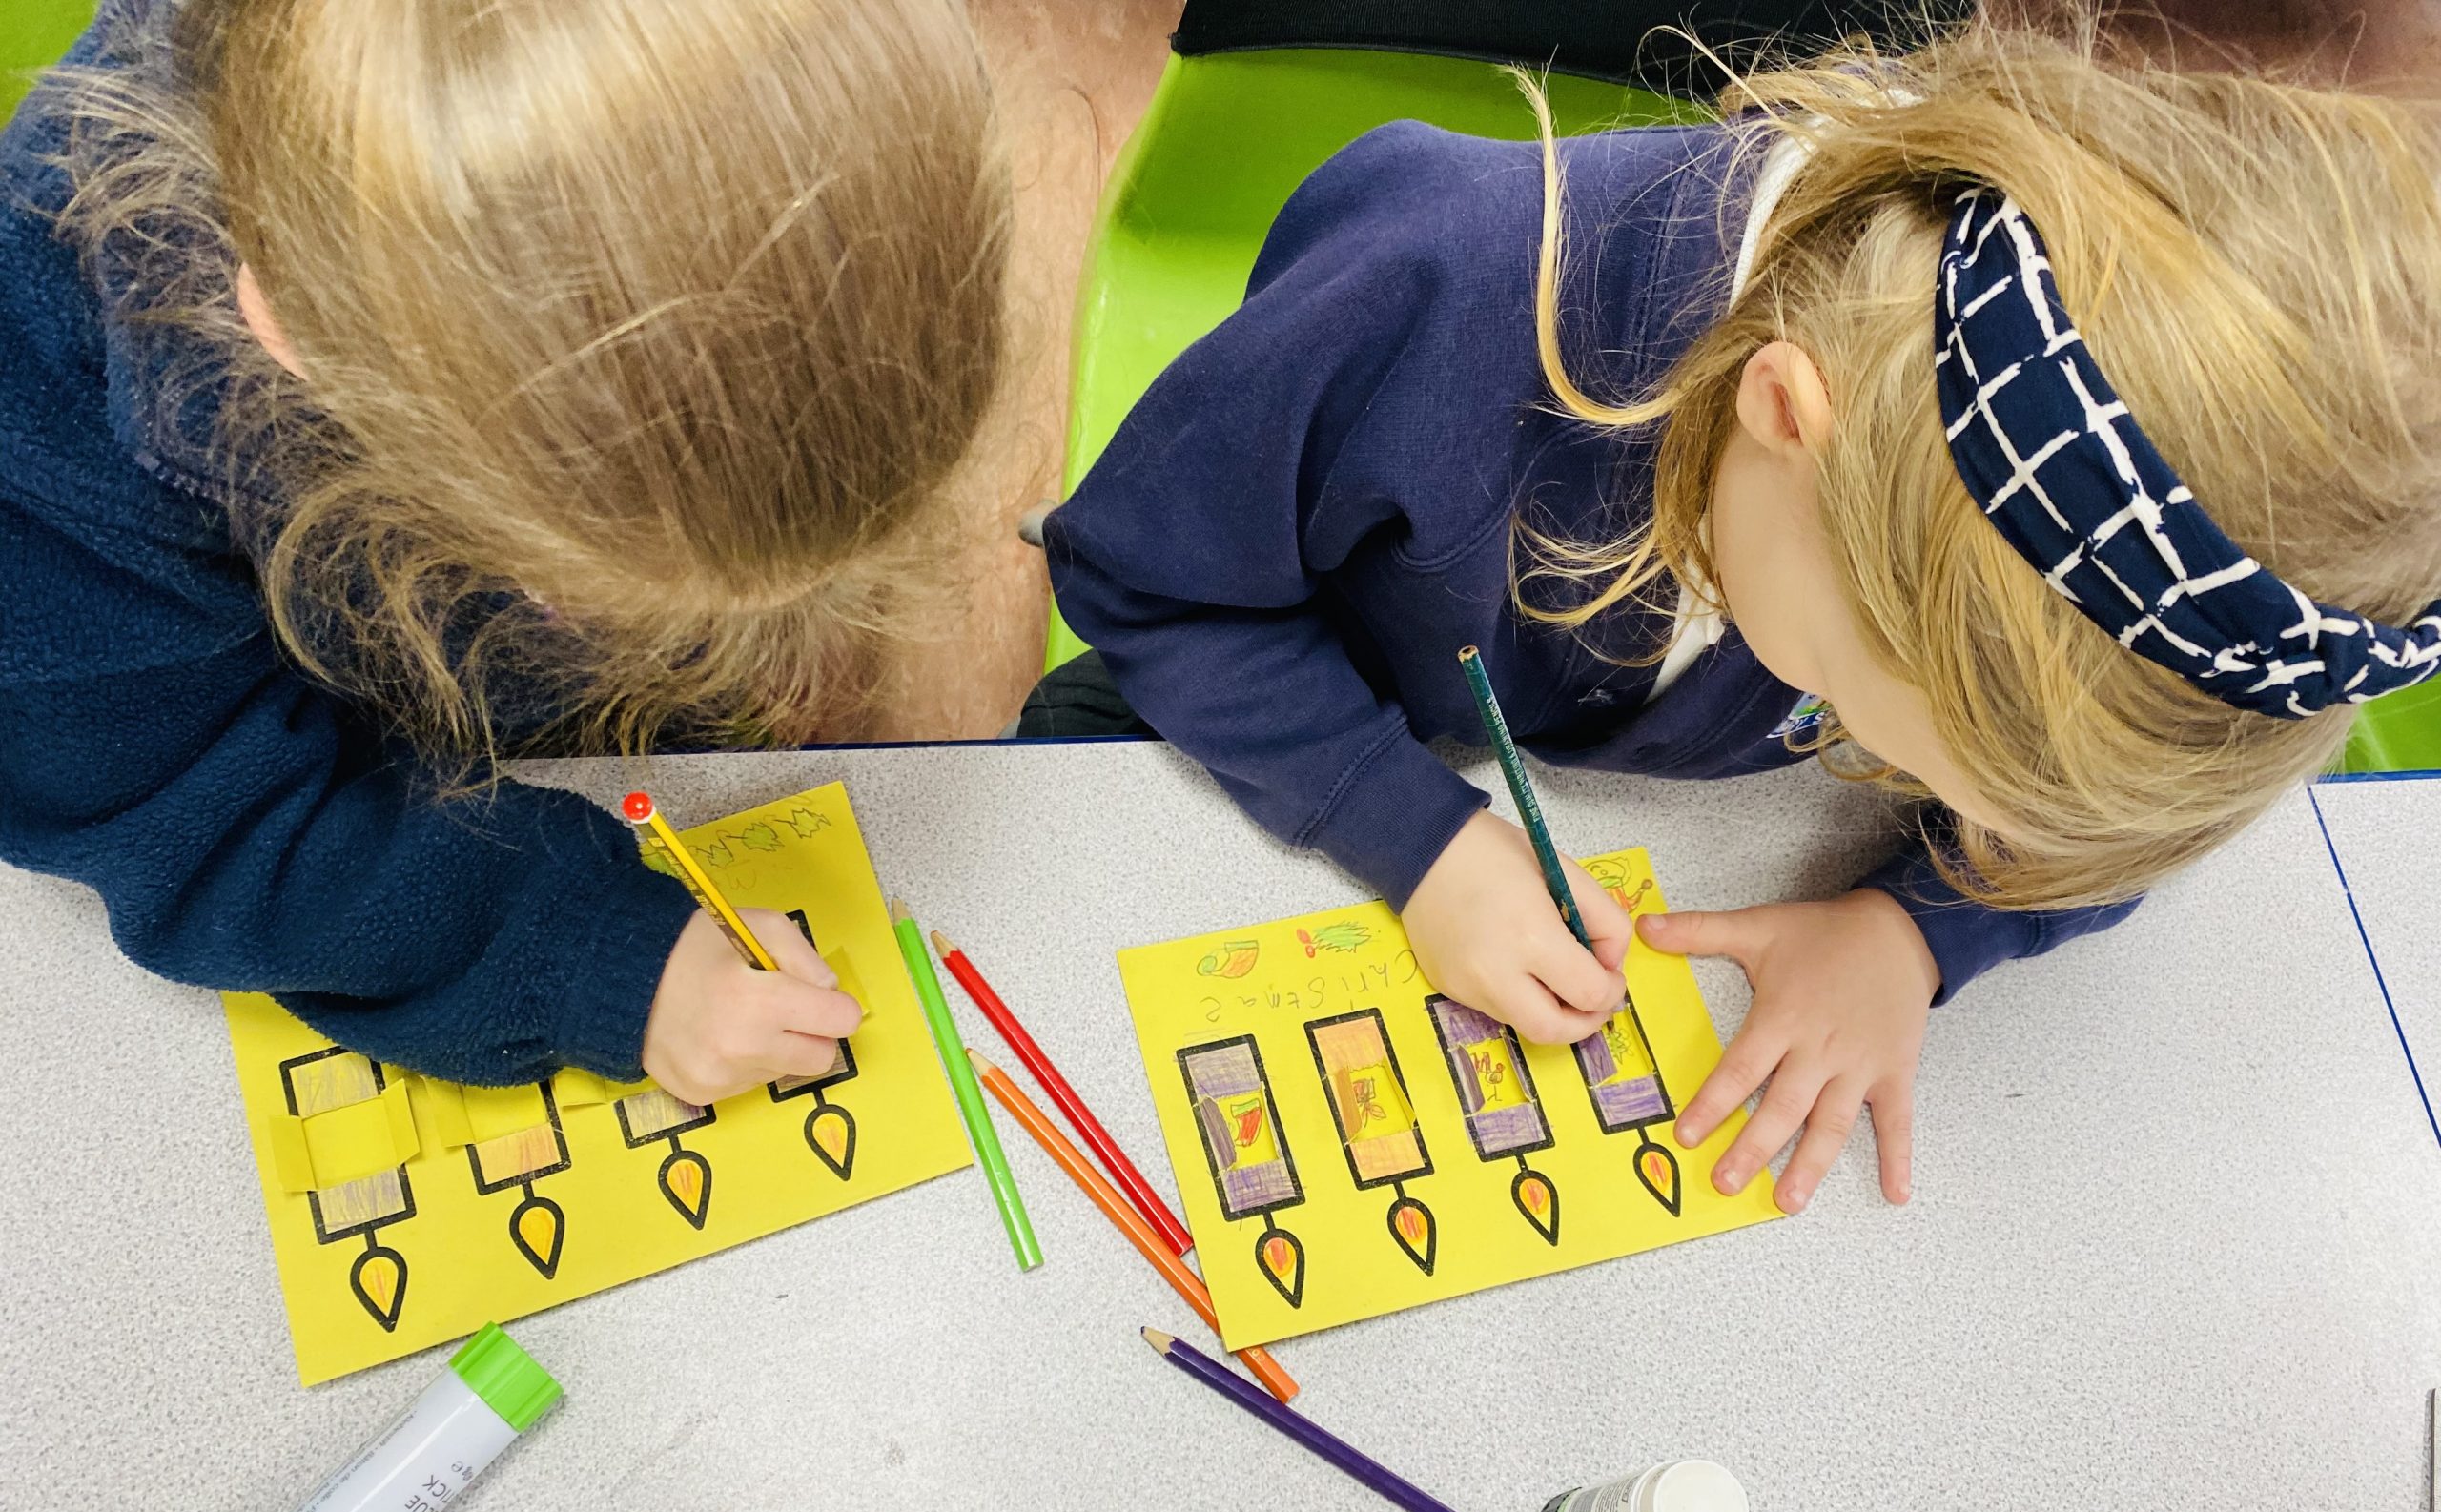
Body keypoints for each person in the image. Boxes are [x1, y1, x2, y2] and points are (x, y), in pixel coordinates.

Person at [1041, 20, 2441, 1213]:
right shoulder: (1438, 283)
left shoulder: (2110, 611)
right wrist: (1411, 836)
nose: (1969, 819)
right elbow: (1141, 578)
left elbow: (2096, 816)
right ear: (1784, 417)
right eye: (1881, 727)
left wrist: (1917, 930)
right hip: (1265, 686)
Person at [0, 0, 1010, 1101]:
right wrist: (583, 950)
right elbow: (203, 816)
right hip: (380, 796)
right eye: (582, 585)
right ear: (288, 329)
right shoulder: (40, 417)